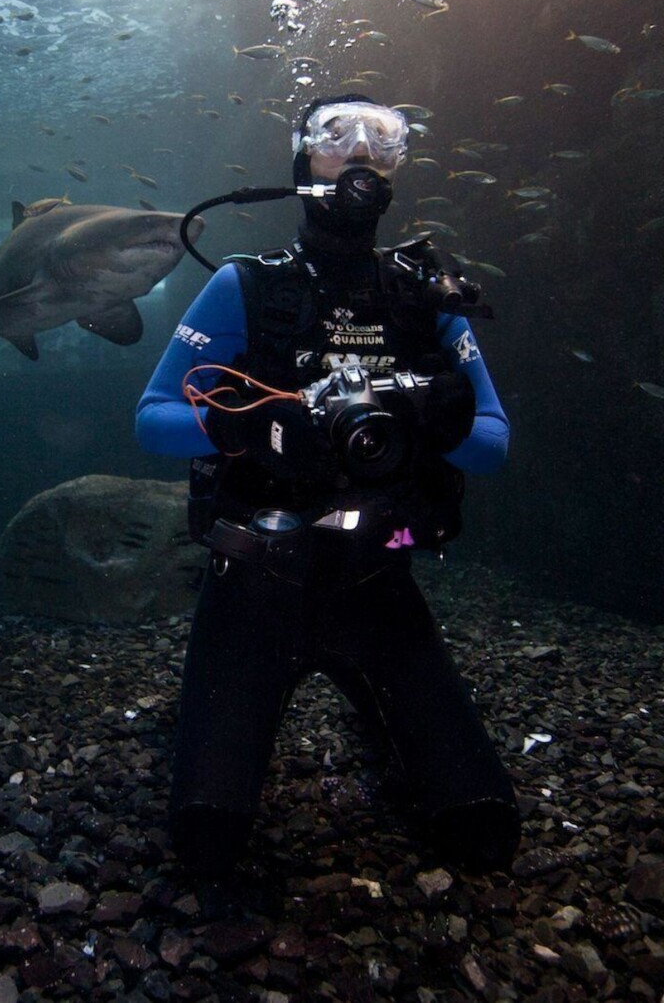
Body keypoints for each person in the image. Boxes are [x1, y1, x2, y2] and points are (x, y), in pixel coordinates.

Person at [136, 95, 520, 878]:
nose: (360, 152)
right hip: (254, 581)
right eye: (335, 134)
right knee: (206, 843)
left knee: (485, 834)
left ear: (399, 167)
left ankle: (383, 728)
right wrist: (253, 427)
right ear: (301, 161)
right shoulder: (250, 286)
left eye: (384, 138)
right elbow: (153, 417)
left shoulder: (427, 295)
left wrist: (427, 418)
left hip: (380, 579)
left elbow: (491, 442)